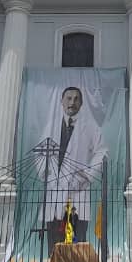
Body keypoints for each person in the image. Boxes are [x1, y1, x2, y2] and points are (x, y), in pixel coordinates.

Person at [45, 87, 107, 248]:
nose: (72, 103)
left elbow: (102, 151)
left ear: (81, 103)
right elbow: (39, 152)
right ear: (61, 101)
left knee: (77, 237)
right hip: (54, 190)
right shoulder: (51, 126)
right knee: (54, 234)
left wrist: (87, 175)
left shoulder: (90, 126)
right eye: (68, 98)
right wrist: (48, 174)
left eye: (76, 99)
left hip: (78, 190)